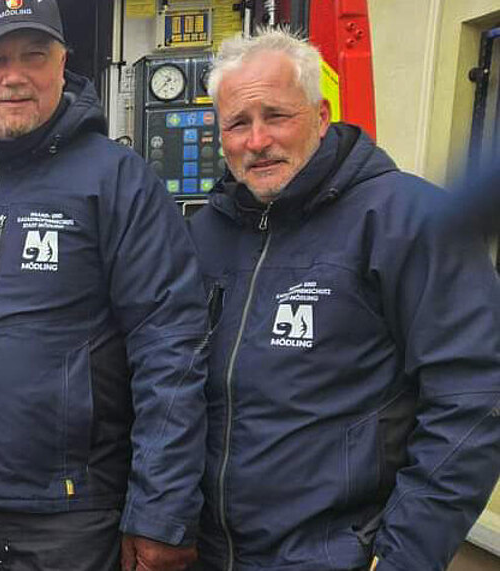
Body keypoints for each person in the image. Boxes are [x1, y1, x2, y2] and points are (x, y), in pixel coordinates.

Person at [0, 1, 210, 569]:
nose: (15, 75)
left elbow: (171, 346)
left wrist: (162, 510)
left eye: (35, 55)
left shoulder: (117, 180)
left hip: (68, 512)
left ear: (63, 65)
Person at [191, 28, 500, 571]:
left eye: (276, 116)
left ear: (321, 114)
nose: (257, 140)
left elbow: (475, 398)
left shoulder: (407, 221)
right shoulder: (205, 237)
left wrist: (405, 554)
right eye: (238, 123)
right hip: (211, 555)